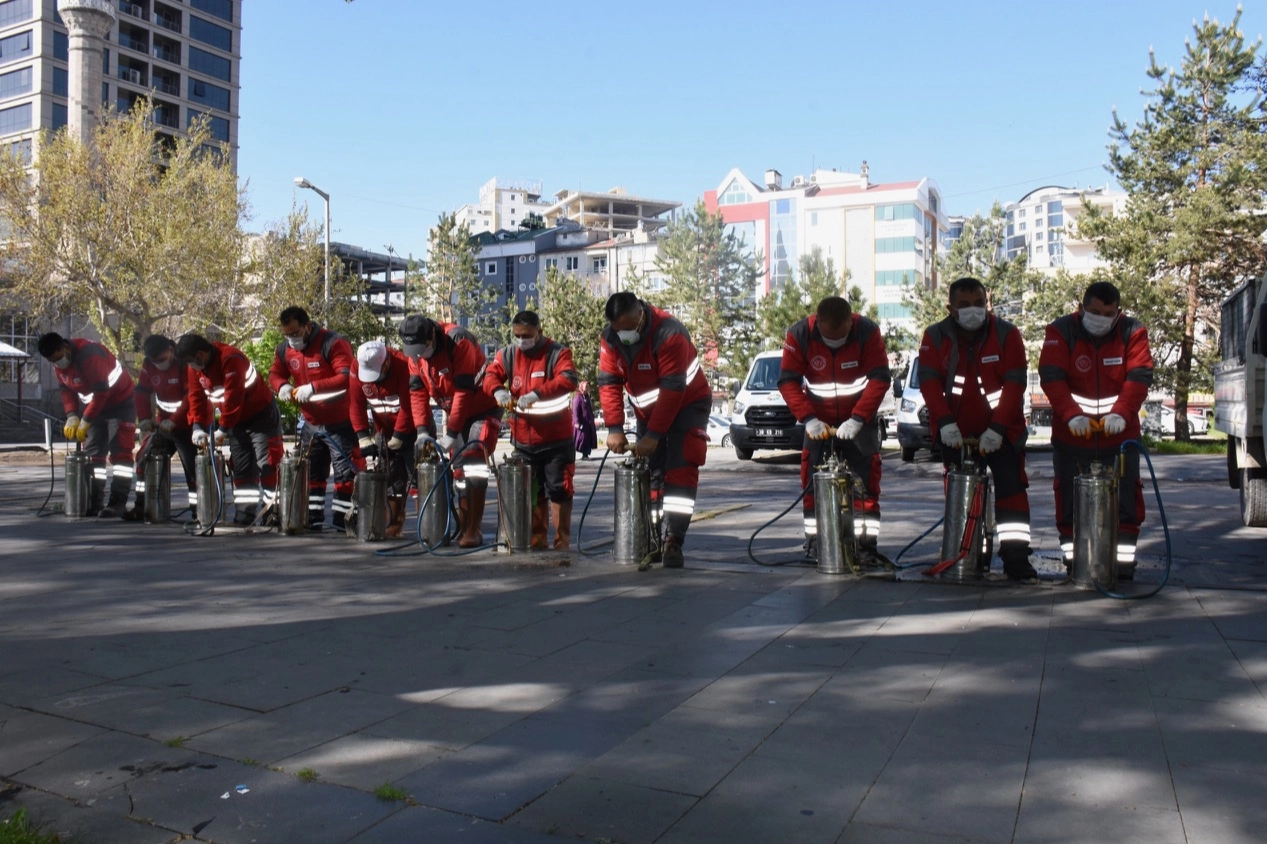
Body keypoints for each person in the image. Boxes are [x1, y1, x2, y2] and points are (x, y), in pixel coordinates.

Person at [917, 277, 1038, 583]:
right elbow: (929, 383)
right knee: (963, 495)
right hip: (955, 432)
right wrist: (944, 423)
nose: (973, 310)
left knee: (1012, 493)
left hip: (1003, 431)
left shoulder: (1007, 334)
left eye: (978, 303)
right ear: (950, 307)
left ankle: (1016, 560)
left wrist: (997, 429)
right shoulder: (935, 336)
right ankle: (967, 556)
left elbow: (1015, 384)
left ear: (987, 303)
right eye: (964, 305)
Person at [1039, 280, 1155, 580]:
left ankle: (1123, 563)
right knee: (1068, 499)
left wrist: (1121, 413)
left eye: (1107, 312)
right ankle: (1074, 560)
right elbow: (1052, 376)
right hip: (1072, 435)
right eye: (1094, 311)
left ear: (1119, 312)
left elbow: (1139, 376)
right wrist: (1071, 416)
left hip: (1121, 436)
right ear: (1081, 308)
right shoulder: (1060, 331)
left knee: (1126, 499)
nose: (1100, 318)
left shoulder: (1133, 332)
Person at [598, 291, 711, 568]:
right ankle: (650, 537)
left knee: (680, 470)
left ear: (641, 315)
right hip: (648, 412)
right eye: (618, 329)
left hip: (688, 406)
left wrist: (653, 436)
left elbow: (673, 390)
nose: (623, 334)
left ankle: (673, 540)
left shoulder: (669, 333)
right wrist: (614, 427)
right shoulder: (611, 338)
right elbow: (609, 382)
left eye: (628, 328)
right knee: (652, 474)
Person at [778, 296, 891, 559]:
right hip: (818, 423)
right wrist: (808, 419)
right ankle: (817, 542)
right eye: (830, 337)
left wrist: (858, 418)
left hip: (858, 423)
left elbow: (879, 378)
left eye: (841, 336)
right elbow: (788, 381)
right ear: (818, 324)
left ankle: (865, 545)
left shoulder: (867, 332)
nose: (835, 342)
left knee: (866, 484)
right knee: (811, 484)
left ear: (851, 322)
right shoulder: (800, 334)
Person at [399, 314, 503, 548]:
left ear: (432, 337)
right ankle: (463, 526)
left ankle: (473, 529)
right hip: (455, 411)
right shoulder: (414, 355)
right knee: (459, 471)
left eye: (420, 348)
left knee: (474, 461)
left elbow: (464, 392)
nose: (417, 354)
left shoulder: (458, 340)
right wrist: (423, 431)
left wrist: (452, 432)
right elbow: (417, 393)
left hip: (482, 407)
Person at [483, 311, 579, 549]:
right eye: (517, 335)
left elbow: (568, 379)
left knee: (559, 490)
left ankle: (561, 541)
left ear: (539, 331)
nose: (522, 340)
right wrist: (497, 390)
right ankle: (537, 538)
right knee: (533, 492)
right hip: (524, 442)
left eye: (527, 335)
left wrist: (537, 394)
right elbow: (490, 375)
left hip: (555, 440)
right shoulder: (508, 355)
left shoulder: (557, 353)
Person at [176, 333, 283, 526]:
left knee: (268, 464)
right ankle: (244, 516)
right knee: (241, 468)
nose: (190, 367)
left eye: (191, 362)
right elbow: (196, 398)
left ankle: (273, 513)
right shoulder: (195, 369)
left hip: (261, 416)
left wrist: (222, 430)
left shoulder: (231, 359)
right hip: (236, 421)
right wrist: (198, 427)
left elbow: (234, 399)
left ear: (200, 354)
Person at [268, 307, 358, 531]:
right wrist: (282, 386)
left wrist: (314, 387)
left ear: (307, 327)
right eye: (287, 335)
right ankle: (313, 518)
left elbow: (346, 377)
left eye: (296, 333)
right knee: (313, 474)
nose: (292, 339)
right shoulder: (284, 350)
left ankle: (342, 520)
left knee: (345, 474)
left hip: (340, 422)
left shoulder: (333, 343)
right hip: (311, 423)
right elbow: (275, 374)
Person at [37, 332, 136, 518]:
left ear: (65, 347)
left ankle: (117, 503)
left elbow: (101, 392)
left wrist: (86, 420)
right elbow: (66, 389)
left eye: (58, 358)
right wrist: (72, 415)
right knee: (93, 455)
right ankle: (94, 502)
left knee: (120, 452)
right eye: (53, 361)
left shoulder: (89, 355)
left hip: (120, 403)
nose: (58, 364)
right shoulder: (59, 364)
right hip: (96, 407)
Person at [349, 340, 416, 538]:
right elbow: (355, 404)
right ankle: (395, 525)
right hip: (383, 431)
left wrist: (399, 436)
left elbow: (409, 405)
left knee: (420, 479)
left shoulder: (404, 365)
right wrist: (363, 437)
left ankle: (429, 525)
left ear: (386, 362)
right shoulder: (357, 366)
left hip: (412, 429)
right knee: (391, 479)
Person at [131, 334, 198, 521]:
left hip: (186, 426)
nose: (158, 364)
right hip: (163, 426)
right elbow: (142, 392)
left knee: (192, 469)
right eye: (154, 361)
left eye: (161, 359)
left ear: (170, 351)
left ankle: (198, 511)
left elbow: (190, 395)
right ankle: (141, 506)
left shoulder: (184, 364)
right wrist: (144, 418)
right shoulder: (149, 365)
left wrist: (175, 420)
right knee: (145, 458)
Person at [573, 380, 598, 460]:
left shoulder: (587, 397)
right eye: (586, 386)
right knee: (580, 439)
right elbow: (575, 410)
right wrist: (576, 422)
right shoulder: (578, 398)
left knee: (588, 439)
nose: (587, 387)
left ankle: (585, 455)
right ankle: (572, 456)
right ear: (581, 387)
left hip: (588, 423)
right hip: (581, 423)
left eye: (588, 386)